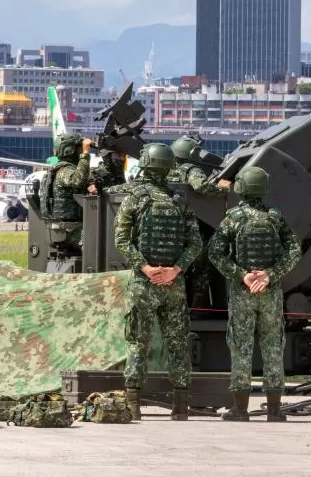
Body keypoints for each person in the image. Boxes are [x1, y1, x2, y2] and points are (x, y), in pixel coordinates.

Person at [114, 142, 203, 422]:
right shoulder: (179, 201)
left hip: (144, 284)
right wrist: (175, 269)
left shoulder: (135, 198)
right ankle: (180, 406)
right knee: (177, 343)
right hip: (174, 286)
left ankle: (133, 404)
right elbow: (195, 243)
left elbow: (121, 239)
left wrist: (145, 267)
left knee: (138, 344)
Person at [207, 166, 301, 423]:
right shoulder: (275, 218)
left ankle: (240, 408)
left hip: (243, 292)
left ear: (241, 189)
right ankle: (274, 410)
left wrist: (242, 275)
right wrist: (270, 274)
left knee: (241, 347)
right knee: (273, 348)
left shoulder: (233, 218)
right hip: (270, 293)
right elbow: (293, 252)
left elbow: (215, 252)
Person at [166, 135, 230, 309]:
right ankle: (197, 306)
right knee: (203, 265)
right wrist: (222, 189)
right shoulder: (191, 169)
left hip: (172, 227)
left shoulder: (167, 170)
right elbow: (200, 186)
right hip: (194, 226)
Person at [38, 133, 92, 255]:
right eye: (79, 147)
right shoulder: (65, 171)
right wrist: (85, 155)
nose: (81, 150)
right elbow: (78, 180)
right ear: (70, 150)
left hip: (62, 229)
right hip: (70, 231)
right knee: (103, 240)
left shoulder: (56, 170)